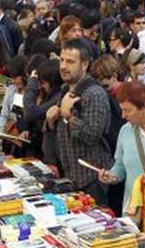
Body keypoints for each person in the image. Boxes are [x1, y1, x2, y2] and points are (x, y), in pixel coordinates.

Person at [46, 39, 113, 205]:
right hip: (70, 177)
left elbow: (92, 136)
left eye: (70, 62)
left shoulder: (94, 94)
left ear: (84, 64)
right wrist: (51, 121)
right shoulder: (64, 89)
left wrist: (69, 116)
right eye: (62, 60)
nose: (63, 66)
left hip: (92, 180)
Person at [98, 82, 145, 211]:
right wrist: (112, 176)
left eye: (128, 110)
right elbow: (120, 164)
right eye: (122, 109)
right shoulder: (125, 131)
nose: (123, 115)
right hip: (133, 209)